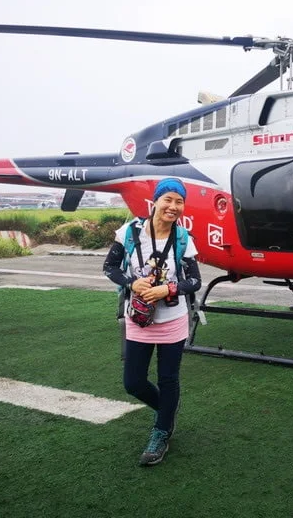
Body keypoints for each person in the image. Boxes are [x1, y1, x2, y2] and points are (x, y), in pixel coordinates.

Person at [102, 177, 201, 466]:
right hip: (139, 318)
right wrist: (132, 284)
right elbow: (109, 267)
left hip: (172, 319)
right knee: (133, 383)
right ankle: (167, 410)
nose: (173, 206)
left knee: (168, 379)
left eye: (179, 201)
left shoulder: (184, 239)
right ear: (155, 201)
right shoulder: (129, 233)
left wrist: (168, 288)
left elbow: (194, 281)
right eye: (168, 199)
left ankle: (162, 432)